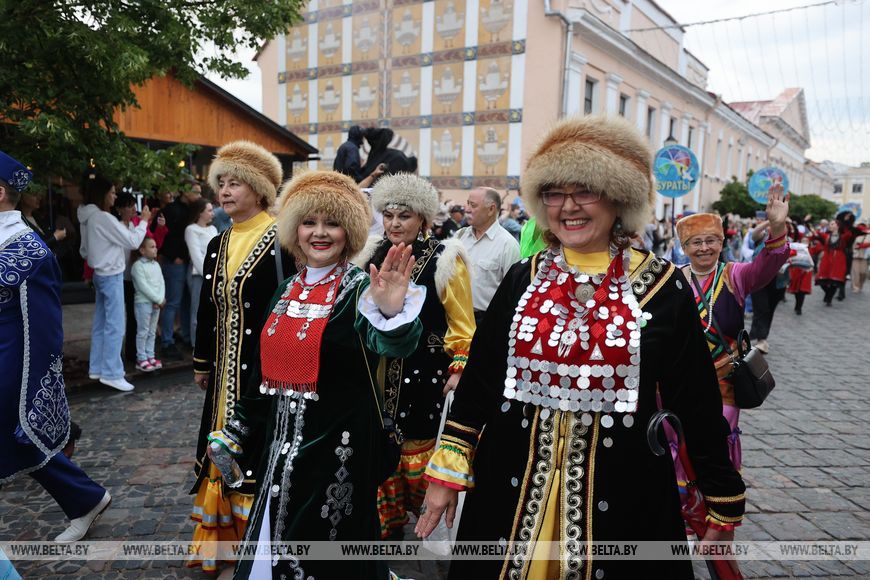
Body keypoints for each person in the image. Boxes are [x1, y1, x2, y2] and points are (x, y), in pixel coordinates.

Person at [415, 116, 746, 579]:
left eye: (585, 191)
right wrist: (448, 471)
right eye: (554, 193)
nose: (568, 207)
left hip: (625, 499)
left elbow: (696, 401)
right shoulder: (524, 278)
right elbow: (480, 383)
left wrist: (721, 496)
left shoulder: (664, 288)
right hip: (509, 494)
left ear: (618, 197)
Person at [207, 170, 425, 579]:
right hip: (279, 453)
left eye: (333, 223)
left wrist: (392, 312)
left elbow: (392, 345)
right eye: (309, 222)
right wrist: (235, 431)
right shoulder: (285, 290)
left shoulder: (362, 290)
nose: (320, 233)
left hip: (338, 457)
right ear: (295, 229)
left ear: (350, 232)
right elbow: (261, 377)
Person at [187, 141, 296, 574]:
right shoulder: (218, 242)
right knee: (219, 446)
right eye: (222, 183)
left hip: (263, 372)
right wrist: (202, 361)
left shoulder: (282, 240)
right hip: (222, 374)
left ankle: (256, 549)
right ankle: (224, 544)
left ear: (260, 189)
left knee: (253, 448)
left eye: (236, 183)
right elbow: (207, 307)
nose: (225, 191)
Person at [354, 173, 476, 539]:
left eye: (404, 216)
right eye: (389, 215)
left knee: (419, 439)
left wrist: (459, 366)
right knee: (377, 441)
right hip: (374, 369)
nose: (394, 223)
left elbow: (461, 321)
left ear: (422, 218)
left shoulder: (444, 258)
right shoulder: (369, 253)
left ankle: (427, 529)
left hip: (425, 371)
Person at [0, 150, 111, 542]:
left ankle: (86, 498)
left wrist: (40, 388)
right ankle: (86, 499)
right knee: (15, 443)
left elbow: (46, 327)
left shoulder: (28, 250)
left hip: (11, 365)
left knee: (22, 437)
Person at [674, 199, 788, 489]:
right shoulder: (673, 279)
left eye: (711, 240)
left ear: (721, 242)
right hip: (681, 381)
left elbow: (766, 266)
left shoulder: (735, 275)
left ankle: (720, 501)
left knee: (720, 437)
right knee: (678, 441)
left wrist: (776, 228)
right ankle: (684, 506)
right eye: (696, 242)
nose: (704, 248)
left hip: (724, 380)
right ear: (684, 247)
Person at [78, 174, 150, 392]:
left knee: (102, 323)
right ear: (102, 194)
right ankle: (112, 372)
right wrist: (144, 221)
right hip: (110, 274)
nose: (114, 196)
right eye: (111, 192)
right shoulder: (102, 217)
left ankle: (98, 368)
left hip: (101, 274)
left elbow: (84, 250)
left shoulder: (87, 216)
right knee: (115, 325)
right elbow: (133, 241)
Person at [454, 187, 520, 323]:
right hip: (455, 320)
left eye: (473, 205)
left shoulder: (507, 245)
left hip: (487, 322)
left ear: (491, 209)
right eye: (467, 204)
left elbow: (512, 294)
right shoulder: (460, 236)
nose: (467, 209)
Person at [156, 184, 201, 361]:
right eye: (195, 191)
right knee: (173, 302)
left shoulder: (191, 210)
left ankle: (185, 335)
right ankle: (167, 342)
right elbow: (163, 236)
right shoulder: (172, 210)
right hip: (175, 263)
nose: (198, 195)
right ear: (185, 191)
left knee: (186, 302)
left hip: (186, 262)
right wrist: (173, 255)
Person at [184, 198, 217, 347]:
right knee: (197, 311)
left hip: (214, 275)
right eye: (209, 210)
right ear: (200, 213)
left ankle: (209, 345)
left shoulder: (213, 229)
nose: (212, 213)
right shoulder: (191, 230)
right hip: (199, 275)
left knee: (212, 311)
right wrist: (209, 275)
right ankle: (196, 346)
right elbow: (196, 256)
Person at [130, 237, 165, 372]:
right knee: (143, 331)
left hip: (156, 303)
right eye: (151, 247)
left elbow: (161, 282)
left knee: (152, 331)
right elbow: (143, 286)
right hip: (143, 303)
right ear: (142, 250)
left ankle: (150, 356)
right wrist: (157, 299)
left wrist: (159, 299)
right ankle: (141, 358)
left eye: (155, 246)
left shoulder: (156, 265)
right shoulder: (137, 266)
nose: (155, 249)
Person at [812, 219, 853, 306]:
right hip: (827, 260)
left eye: (832, 224)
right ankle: (828, 294)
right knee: (821, 280)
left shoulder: (843, 236)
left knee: (834, 282)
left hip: (839, 260)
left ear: (837, 226)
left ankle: (829, 299)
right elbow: (815, 233)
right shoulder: (826, 236)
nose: (830, 225)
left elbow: (849, 233)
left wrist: (845, 221)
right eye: (830, 224)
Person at [787, 237, 814, 315]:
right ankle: (797, 305)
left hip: (806, 272)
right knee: (797, 291)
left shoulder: (810, 250)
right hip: (797, 271)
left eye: (806, 241)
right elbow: (791, 257)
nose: (804, 242)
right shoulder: (796, 249)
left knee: (802, 291)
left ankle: (799, 308)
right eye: (803, 241)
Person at [851, 225, 870, 293]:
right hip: (856, 257)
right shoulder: (856, 237)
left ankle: (860, 285)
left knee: (863, 273)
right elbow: (853, 246)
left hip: (864, 257)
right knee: (856, 272)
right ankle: (855, 287)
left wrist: (862, 246)